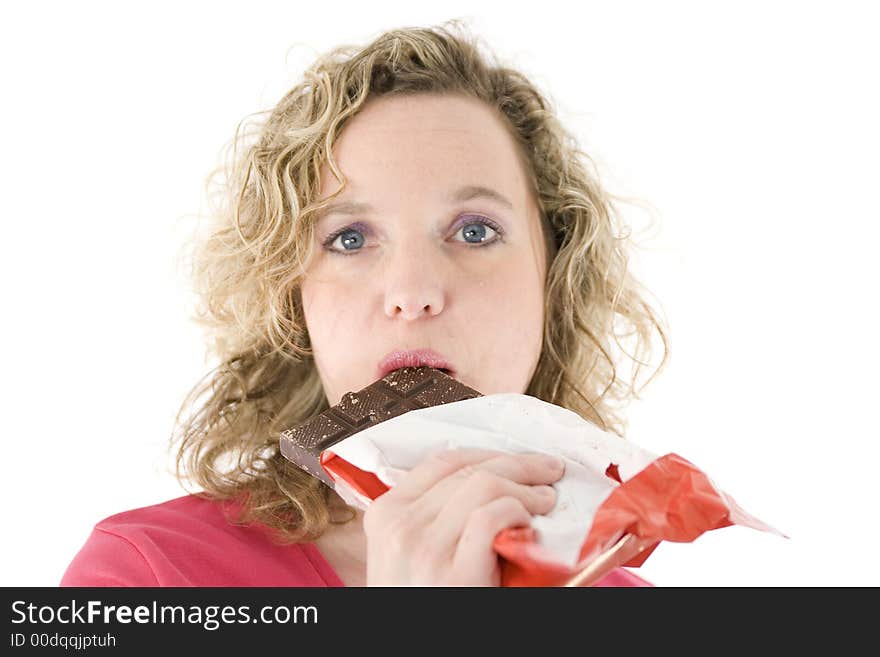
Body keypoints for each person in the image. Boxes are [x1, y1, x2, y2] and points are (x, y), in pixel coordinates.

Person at [61, 20, 668, 587]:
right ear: (291, 299)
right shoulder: (146, 573)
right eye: (349, 239)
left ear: (553, 274)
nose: (413, 293)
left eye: (476, 231)